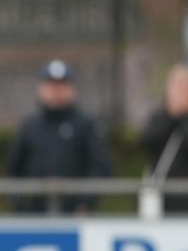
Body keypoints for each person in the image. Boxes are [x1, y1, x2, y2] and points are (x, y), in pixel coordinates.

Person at [8, 60, 112, 214]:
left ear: (71, 89)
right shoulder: (30, 125)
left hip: (73, 212)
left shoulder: (86, 124)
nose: (56, 91)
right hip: (35, 212)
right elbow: (14, 166)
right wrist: (19, 203)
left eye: (61, 86)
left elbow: (102, 166)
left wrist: (86, 203)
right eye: (51, 85)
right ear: (41, 88)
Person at [141, 63, 188, 213]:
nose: (178, 92)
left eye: (183, 87)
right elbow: (148, 142)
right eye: (175, 86)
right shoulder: (160, 117)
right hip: (163, 198)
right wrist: (171, 117)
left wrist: (183, 117)